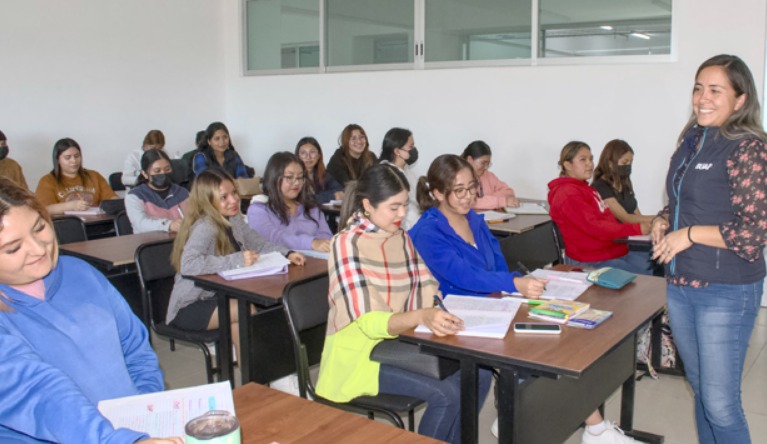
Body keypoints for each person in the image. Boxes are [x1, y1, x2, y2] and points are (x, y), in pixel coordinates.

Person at [315, 164, 491, 444]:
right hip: (359, 356)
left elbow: (427, 284)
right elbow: (367, 322)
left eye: (404, 206)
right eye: (393, 207)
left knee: (479, 375)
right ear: (367, 205)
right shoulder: (346, 244)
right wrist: (421, 316)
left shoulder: (400, 237)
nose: (401, 215)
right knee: (445, 396)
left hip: (401, 339)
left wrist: (434, 309)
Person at [0, 177, 181, 444]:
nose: (38, 249)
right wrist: (116, 439)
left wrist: (146, 412)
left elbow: (135, 348)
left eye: (39, 228)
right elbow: (37, 394)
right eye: (13, 248)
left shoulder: (79, 272)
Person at [651, 54, 767, 444]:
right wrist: (663, 220)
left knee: (721, 404)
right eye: (699, 88)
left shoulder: (749, 148)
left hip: (725, 290)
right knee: (702, 393)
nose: (703, 97)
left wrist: (690, 234)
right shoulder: (692, 139)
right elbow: (682, 198)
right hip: (682, 284)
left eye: (716, 90)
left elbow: (754, 233)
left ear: (740, 99)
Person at [168, 169, 304, 363]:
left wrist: (287, 253)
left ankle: (254, 377)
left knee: (250, 314)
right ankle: (264, 375)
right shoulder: (206, 225)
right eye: (224, 197)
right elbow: (188, 264)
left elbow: (259, 244)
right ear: (207, 200)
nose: (233, 200)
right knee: (246, 310)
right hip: (190, 305)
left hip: (222, 297)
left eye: (234, 193)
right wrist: (237, 259)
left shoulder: (234, 219)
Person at [410, 154, 546, 297]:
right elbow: (464, 275)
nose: (469, 196)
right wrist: (512, 283)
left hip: (491, 301)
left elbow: (498, 262)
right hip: (454, 310)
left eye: (472, 187)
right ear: (439, 194)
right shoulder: (427, 233)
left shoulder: (474, 219)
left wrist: (509, 288)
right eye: (459, 191)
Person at [547, 141, 652, 275]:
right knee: (646, 281)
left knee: (655, 261)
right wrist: (636, 228)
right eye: (583, 160)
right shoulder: (568, 195)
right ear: (567, 165)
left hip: (611, 251)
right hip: (591, 260)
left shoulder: (586, 189)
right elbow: (595, 228)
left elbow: (607, 222)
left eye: (591, 159)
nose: (589, 164)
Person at [247, 152, 333, 252]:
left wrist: (322, 243)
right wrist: (311, 243)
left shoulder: (311, 207)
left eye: (300, 177)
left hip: (315, 263)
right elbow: (273, 238)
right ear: (274, 177)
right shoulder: (259, 209)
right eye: (289, 177)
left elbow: (326, 236)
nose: (296, 183)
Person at [35, 138, 118, 215]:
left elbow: (112, 198)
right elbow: (43, 209)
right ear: (57, 160)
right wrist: (70, 206)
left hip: (97, 224)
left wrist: (118, 203)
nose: (74, 161)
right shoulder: (47, 181)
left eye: (77, 156)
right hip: (66, 225)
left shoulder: (94, 176)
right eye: (67, 158)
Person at [591, 139, 655, 225]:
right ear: (610, 164)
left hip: (631, 234)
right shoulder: (601, 187)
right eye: (625, 162)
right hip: (615, 236)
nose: (628, 166)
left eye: (630, 162)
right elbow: (626, 218)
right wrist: (659, 218)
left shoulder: (624, 185)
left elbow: (638, 216)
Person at [125, 149, 189, 233]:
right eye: (157, 171)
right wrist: (168, 225)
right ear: (145, 174)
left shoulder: (182, 192)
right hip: (150, 243)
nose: (163, 173)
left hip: (180, 241)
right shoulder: (134, 196)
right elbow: (140, 223)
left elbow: (195, 217)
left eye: (167, 169)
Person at [378, 127, 421, 229]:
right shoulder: (387, 174)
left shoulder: (408, 171)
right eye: (411, 147)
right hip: (403, 226)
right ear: (397, 151)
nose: (413, 150)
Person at [461, 140, 519, 210]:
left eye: (488, 164)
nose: (486, 167)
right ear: (470, 159)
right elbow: (469, 203)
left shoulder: (488, 175)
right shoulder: (459, 177)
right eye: (483, 163)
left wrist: (488, 200)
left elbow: (509, 191)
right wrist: (500, 201)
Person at [295, 136, 343, 204]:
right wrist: (332, 196)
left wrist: (318, 197)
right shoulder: (294, 176)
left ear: (318, 155)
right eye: (303, 153)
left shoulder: (323, 174)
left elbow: (341, 191)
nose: (308, 157)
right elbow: (302, 199)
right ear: (298, 156)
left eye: (312, 152)